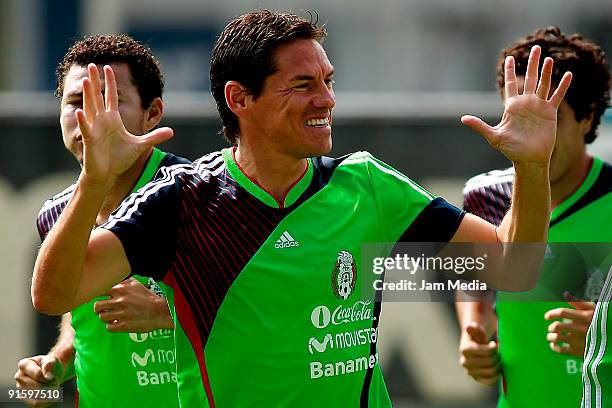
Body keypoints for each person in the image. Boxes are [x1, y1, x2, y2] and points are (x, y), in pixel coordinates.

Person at [30, 10, 571, 407]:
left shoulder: (369, 185)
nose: (326, 100)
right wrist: (94, 178)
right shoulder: (184, 199)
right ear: (241, 99)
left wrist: (532, 166)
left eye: (328, 82)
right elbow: (55, 293)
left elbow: (513, 268)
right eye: (302, 85)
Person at [14, 35, 189, 407]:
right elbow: (79, 317)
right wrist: (57, 362)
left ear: (152, 113)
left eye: (110, 101)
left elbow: (262, 310)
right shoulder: (56, 214)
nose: (92, 119)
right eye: (77, 102)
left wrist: (166, 312)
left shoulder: (196, 194)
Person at [455, 26, 612, 408]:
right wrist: (473, 330)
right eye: (517, 113)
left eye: (548, 117)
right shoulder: (484, 195)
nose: (530, 133)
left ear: (589, 117)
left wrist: (605, 334)